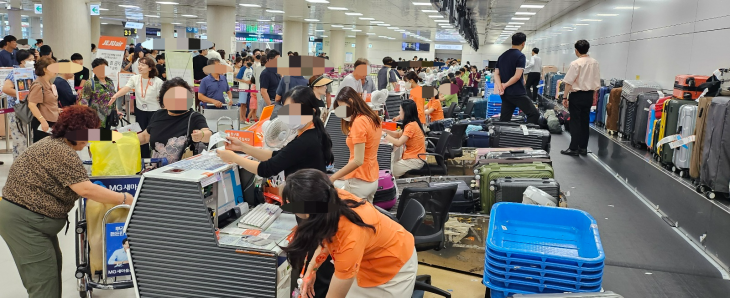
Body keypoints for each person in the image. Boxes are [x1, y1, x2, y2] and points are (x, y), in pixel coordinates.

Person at [0, 105, 134, 298]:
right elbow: (85, 189)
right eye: (87, 135)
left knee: (52, 270)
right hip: (24, 221)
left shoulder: (53, 143)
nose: (89, 141)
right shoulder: (61, 151)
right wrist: (125, 198)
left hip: (33, 219)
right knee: (44, 283)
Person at [283, 170, 417, 298]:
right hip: (369, 257)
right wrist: (311, 270)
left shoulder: (348, 240)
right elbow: (327, 235)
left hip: (392, 269)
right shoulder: (330, 198)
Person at [217, 86, 334, 178]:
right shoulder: (313, 133)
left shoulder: (305, 141)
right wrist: (242, 147)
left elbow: (266, 169)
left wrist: (234, 158)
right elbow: (277, 155)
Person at [137, 77, 213, 163]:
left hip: (182, 173)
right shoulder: (158, 114)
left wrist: (201, 135)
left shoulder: (194, 117)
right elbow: (145, 136)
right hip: (155, 170)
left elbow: (208, 134)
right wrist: (123, 139)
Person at [330, 86, 382, 202]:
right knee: (367, 217)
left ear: (351, 102)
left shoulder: (359, 122)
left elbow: (358, 160)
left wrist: (333, 177)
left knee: (352, 218)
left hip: (359, 181)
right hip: (372, 179)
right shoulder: (372, 117)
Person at [110, 57, 163, 157]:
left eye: (143, 65)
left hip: (155, 112)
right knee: (141, 134)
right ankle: (144, 158)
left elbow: (163, 98)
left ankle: (156, 158)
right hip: (140, 111)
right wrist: (116, 96)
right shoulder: (135, 78)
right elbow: (126, 88)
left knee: (154, 135)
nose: (139, 67)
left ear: (150, 68)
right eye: (139, 64)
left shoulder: (158, 82)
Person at [561, 40, 601, 156]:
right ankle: (583, 148)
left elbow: (568, 82)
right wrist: (593, 96)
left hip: (577, 96)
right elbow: (596, 81)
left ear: (576, 50)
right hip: (588, 95)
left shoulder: (575, 63)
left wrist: (564, 97)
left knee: (575, 122)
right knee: (585, 122)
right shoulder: (595, 63)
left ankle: (573, 148)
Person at [494, 32, 540, 124]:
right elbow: (517, 76)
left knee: (504, 120)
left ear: (512, 42)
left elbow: (496, 74)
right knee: (534, 114)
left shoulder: (502, 56)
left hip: (505, 94)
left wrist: (501, 86)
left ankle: (503, 137)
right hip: (517, 93)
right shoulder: (520, 56)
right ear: (523, 43)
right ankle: (526, 136)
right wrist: (505, 85)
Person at [3, 49, 35, 159]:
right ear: (22, 61)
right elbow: (6, 89)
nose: (32, 62)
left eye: (33, 60)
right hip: (17, 110)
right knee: (20, 139)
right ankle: (19, 166)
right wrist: (23, 95)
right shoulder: (14, 73)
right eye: (30, 60)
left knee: (30, 138)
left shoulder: (33, 73)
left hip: (30, 109)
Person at [385, 100, 427, 178]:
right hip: (417, 157)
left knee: (389, 171)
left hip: (415, 160)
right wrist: (383, 130)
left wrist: (384, 135)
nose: (399, 112)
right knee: (391, 166)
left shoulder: (411, 126)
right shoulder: (413, 123)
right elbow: (397, 134)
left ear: (406, 112)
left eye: (400, 110)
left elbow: (398, 143)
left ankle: (395, 188)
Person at [27, 57, 59, 143]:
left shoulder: (49, 83)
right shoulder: (38, 85)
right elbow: (32, 104)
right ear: (45, 69)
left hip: (52, 120)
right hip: (43, 122)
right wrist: (42, 120)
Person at [79, 58, 117, 129]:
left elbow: (113, 97)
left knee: (105, 138)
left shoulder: (110, 82)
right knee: (96, 139)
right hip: (95, 119)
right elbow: (84, 101)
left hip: (109, 118)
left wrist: (116, 111)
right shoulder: (90, 83)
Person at [258, 50, 282, 117]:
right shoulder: (265, 73)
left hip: (276, 103)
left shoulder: (277, 72)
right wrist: (270, 105)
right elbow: (263, 91)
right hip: (268, 102)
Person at [236, 56, 254, 121]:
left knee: (246, 104)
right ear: (245, 61)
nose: (249, 63)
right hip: (243, 88)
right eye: (248, 61)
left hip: (249, 88)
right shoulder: (243, 68)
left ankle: (244, 117)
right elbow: (238, 78)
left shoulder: (252, 68)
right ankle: (241, 117)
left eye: (251, 62)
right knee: (242, 103)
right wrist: (246, 81)